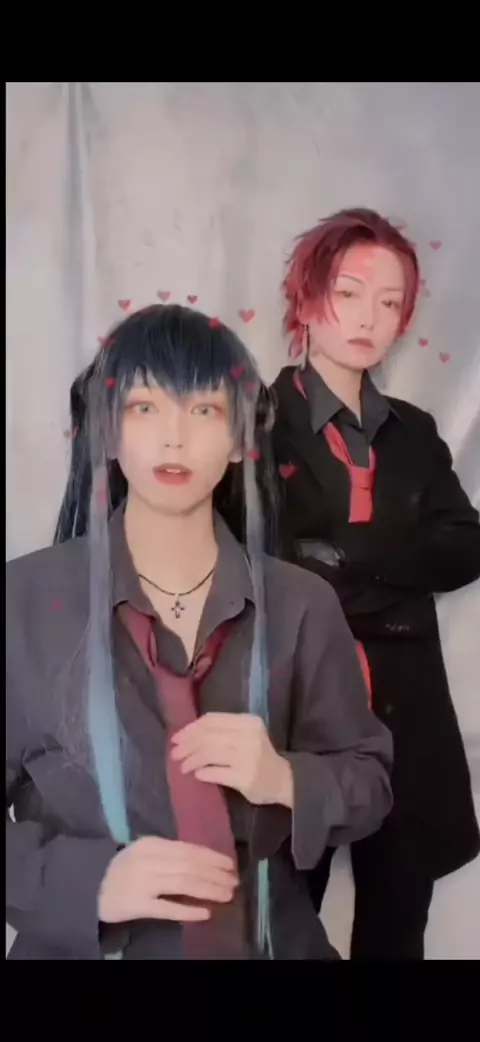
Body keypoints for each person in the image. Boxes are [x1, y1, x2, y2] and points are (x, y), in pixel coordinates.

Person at [6, 303, 393, 961]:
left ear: (241, 438)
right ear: (107, 431)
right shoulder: (20, 602)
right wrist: (85, 883)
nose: (174, 438)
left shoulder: (302, 605)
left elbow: (369, 784)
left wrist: (284, 779)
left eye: (205, 410)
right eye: (145, 408)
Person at [270, 207, 480, 960]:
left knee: (398, 920)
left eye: (390, 302)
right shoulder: (253, 422)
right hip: (295, 705)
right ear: (305, 298)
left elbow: (465, 547)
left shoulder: (415, 431)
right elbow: (256, 564)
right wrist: (389, 571)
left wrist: (345, 553)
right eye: (349, 293)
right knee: (283, 917)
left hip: (409, 711)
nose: (369, 318)